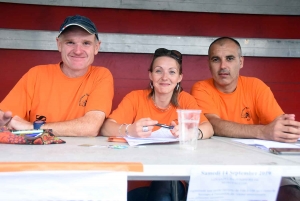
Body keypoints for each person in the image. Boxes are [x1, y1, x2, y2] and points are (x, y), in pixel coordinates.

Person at [191, 37, 300, 201]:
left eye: (230, 58)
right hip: (216, 165)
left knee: (291, 194)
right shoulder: (201, 88)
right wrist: (264, 131)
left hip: (260, 164)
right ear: (209, 64)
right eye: (216, 59)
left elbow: (279, 125)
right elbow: (213, 124)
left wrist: (287, 129)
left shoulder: (256, 86)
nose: (223, 66)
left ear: (241, 62)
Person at [101, 48, 214, 200]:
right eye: (159, 71)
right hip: (136, 176)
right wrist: (129, 130)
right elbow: (107, 127)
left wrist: (191, 132)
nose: (165, 77)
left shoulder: (185, 100)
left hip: (172, 178)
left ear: (180, 77)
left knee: (163, 193)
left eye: (172, 72)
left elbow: (208, 128)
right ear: (150, 75)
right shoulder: (135, 98)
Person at [0, 15, 114, 136]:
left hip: (81, 153)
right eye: (70, 42)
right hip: (37, 153)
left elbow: (90, 128)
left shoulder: (101, 75)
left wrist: (33, 128)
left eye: (86, 43)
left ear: (96, 47)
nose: (78, 50)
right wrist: (4, 122)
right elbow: (5, 116)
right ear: (59, 44)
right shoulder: (36, 74)